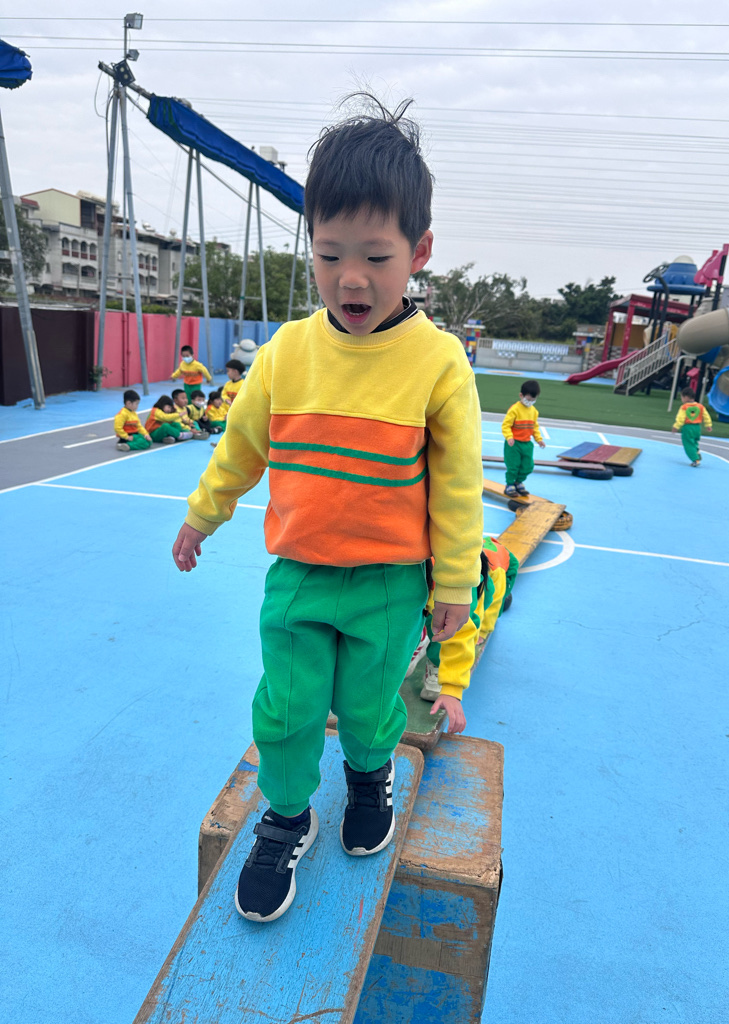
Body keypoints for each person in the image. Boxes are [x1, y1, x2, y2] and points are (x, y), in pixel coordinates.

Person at [171, 95, 483, 924]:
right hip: (300, 575)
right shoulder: (288, 352)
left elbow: (457, 484)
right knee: (286, 706)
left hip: (388, 584)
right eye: (329, 253)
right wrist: (203, 514)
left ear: (419, 252)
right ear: (310, 244)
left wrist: (455, 581)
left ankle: (370, 775)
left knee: (373, 708)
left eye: (376, 257)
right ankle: (286, 815)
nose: (351, 278)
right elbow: (241, 445)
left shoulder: (438, 362)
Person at [419, 552, 490, 707]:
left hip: (462, 583)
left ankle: (437, 664)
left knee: (454, 623)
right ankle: (421, 641)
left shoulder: (454, 582)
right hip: (442, 572)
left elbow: (461, 629)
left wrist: (452, 686)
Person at [501, 380, 546, 497]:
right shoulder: (515, 409)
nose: (530, 402)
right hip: (514, 444)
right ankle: (510, 484)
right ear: (521, 395)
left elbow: (534, 427)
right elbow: (506, 425)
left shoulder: (534, 411)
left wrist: (539, 439)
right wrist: (509, 437)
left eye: (533, 400)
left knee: (528, 466)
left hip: (527, 444)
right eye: (528, 399)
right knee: (513, 466)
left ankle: (518, 482)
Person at [477, 535, 519, 650]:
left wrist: (483, 631)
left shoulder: (496, 571)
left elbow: (495, 601)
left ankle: (507, 597)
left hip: (506, 566)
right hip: (489, 551)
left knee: (499, 600)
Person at [672, 386, 712, 466]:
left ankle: (695, 459)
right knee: (694, 441)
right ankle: (696, 451)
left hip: (688, 427)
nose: (682, 399)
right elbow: (706, 416)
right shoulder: (700, 406)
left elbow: (681, 418)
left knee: (688, 443)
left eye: (682, 397)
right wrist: (708, 425)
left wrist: (676, 426)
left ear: (686, 397)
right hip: (697, 427)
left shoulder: (684, 407)